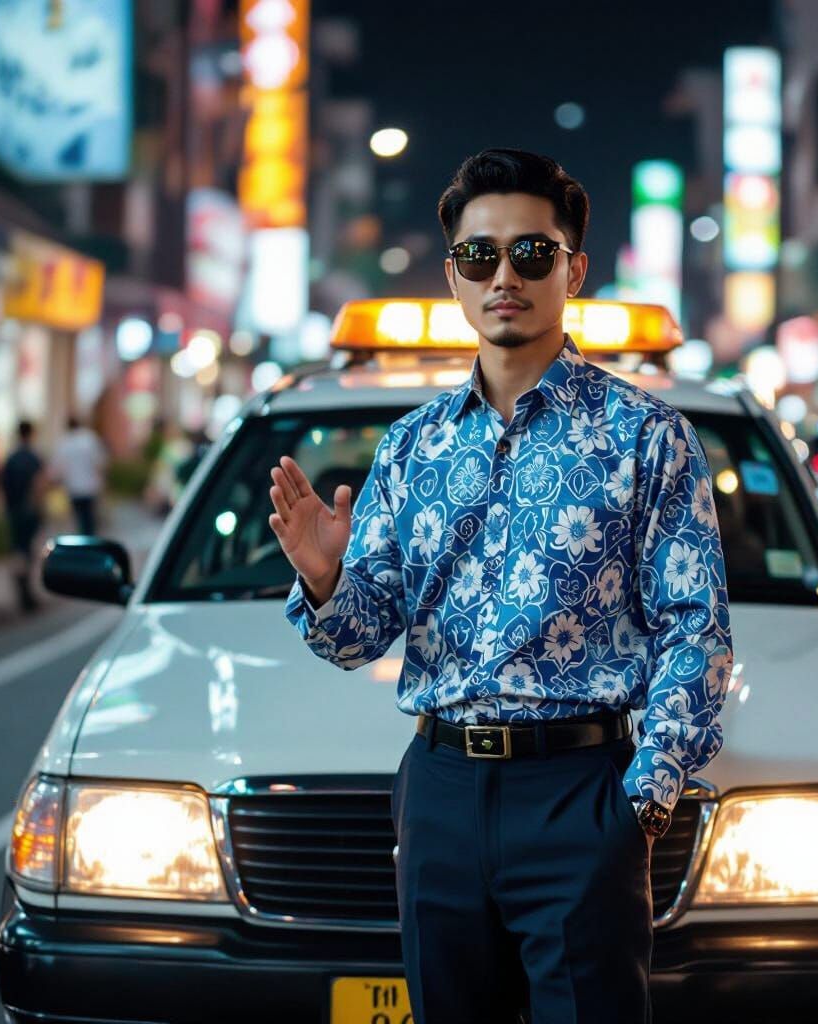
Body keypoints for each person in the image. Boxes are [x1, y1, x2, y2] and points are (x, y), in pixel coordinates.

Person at [271, 149, 734, 1024]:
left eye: (533, 252)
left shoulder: (645, 436)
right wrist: (328, 577)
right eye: (480, 256)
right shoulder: (414, 447)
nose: (505, 276)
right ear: (455, 275)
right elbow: (354, 640)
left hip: (579, 795)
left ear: (574, 269)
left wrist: (638, 805)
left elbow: (695, 632)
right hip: (439, 789)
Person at [0, 421, 46, 612]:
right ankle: (26, 593)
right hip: (29, 510)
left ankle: (23, 591)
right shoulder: (33, 457)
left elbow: (2, 485)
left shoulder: (11, 458)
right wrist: (39, 507)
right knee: (27, 551)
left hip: (14, 510)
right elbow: (39, 484)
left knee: (19, 549)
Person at [49, 415, 107, 535]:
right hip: (90, 486)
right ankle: (90, 541)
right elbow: (100, 463)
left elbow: (57, 468)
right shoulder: (89, 439)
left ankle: (82, 541)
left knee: (79, 518)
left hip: (73, 488)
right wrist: (103, 482)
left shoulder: (64, 442)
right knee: (90, 518)